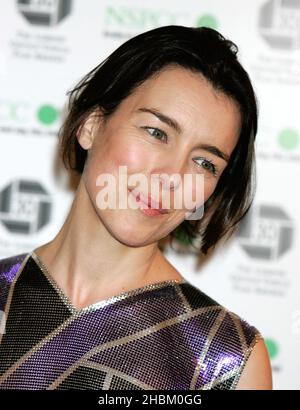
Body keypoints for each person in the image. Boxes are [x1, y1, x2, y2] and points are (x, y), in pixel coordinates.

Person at [0, 25, 272, 390]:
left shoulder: (226, 361)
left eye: (205, 163)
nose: (172, 176)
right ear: (92, 125)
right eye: (157, 133)